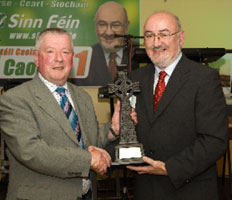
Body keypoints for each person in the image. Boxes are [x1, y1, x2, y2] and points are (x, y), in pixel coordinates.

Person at [0, 28, 132, 200]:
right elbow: (32, 152)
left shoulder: (82, 96)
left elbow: (88, 143)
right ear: (36, 58)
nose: (59, 58)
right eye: (50, 51)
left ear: (72, 58)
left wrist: (112, 129)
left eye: (65, 52)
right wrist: (88, 160)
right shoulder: (15, 99)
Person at [127, 11, 228, 200]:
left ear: (180, 38)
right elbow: (127, 130)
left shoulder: (204, 79)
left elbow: (215, 140)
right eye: (149, 35)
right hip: (146, 189)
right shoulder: (135, 79)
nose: (156, 43)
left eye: (164, 34)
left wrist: (170, 168)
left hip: (190, 190)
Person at [72, 1, 139, 86]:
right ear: (95, 26)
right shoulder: (83, 58)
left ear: (127, 27)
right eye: (102, 24)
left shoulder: (141, 53)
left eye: (115, 25)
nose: (109, 33)